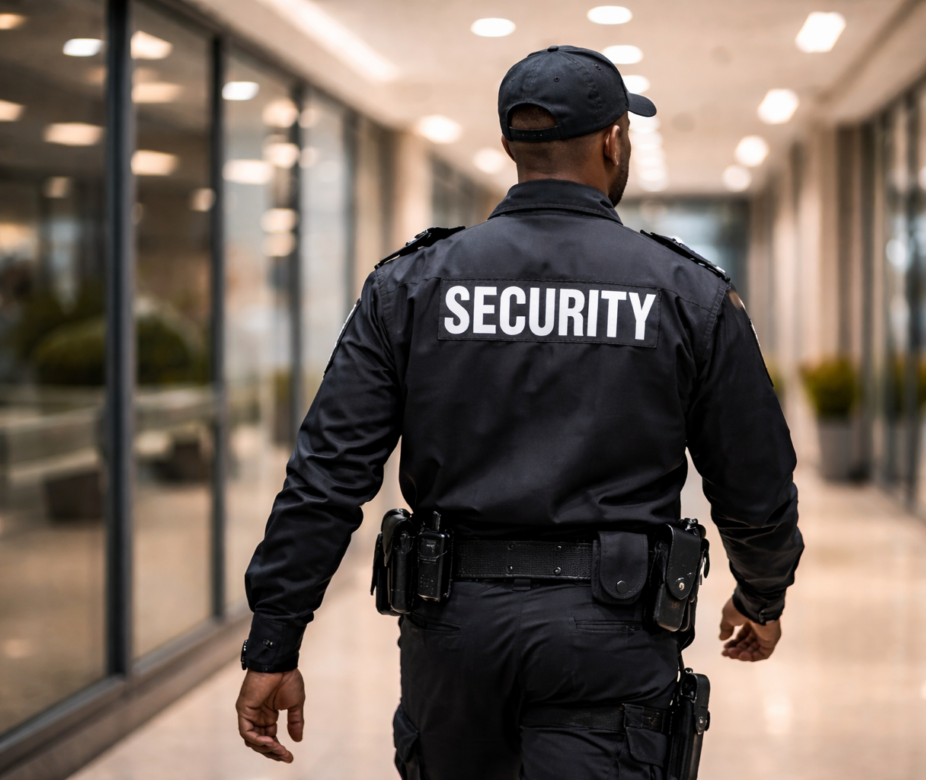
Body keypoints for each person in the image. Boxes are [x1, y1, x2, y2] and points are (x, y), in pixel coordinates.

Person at [235, 44, 803, 779]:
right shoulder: (685, 294)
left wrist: (275, 639)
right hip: (614, 632)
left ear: (509, 146)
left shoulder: (412, 286)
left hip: (454, 630)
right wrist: (761, 593)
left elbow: (328, 473)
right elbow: (754, 477)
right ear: (613, 140)